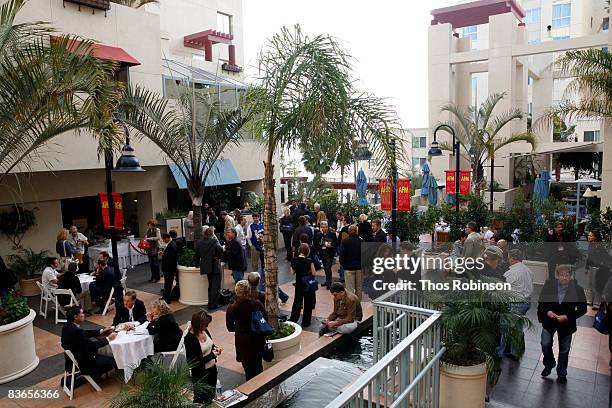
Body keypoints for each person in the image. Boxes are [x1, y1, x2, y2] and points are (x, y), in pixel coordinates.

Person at [537, 264, 587, 384]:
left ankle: (562, 372)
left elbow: (582, 308)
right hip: (550, 320)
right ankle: (549, 364)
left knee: (564, 350)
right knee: (545, 344)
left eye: (567, 275)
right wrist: (548, 312)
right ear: (557, 275)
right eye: (562, 275)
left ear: (571, 276)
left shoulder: (578, 289)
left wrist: (567, 317)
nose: (564, 278)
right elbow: (542, 301)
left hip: (566, 323)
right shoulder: (549, 285)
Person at [61, 306, 117, 381]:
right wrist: (109, 338)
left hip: (76, 358)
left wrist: (102, 330)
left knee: (106, 354)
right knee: (114, 360)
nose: (84, 314)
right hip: (85, 363)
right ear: (75, 317)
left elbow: (85, 333)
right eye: (81, 313)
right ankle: (95, 375)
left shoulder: (67, 327)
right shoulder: (77, 331)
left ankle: (97, 375)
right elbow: (93, 346)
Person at [226, 280, 267, 380]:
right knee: (258, 367)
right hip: (257, 340)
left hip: (242, 342)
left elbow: (230, 327)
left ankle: (251, 391)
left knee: (248, 370)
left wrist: (239, 328)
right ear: (248, 291)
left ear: (237, 292)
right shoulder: (257, 304)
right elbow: (265, 320)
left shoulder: (232, 308)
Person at [499, 249, 534, 359]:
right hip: (526, 302)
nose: (508, 260)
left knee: (505, 327)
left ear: (513, 258)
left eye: (509, 257)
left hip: (515, 303)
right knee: (518, 327)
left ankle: (500, 352)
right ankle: (515, 352)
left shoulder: (512, 272)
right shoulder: (528, 270)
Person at [185, 310, 222, 404]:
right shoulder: (190, 338)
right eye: (204, 325)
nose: (206, 327)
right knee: (201, 399)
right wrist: (212, 355)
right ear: (198, 324)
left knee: (211, 396)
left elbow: (210, 344)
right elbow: (193, 362)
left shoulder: (204, 330)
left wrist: (215, 348)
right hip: (200, 374)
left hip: (212, 370)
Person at [195, 227, 224, 311]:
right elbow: (221, 250)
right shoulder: (214, 241)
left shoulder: (199, 243)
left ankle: (210, 302)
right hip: (215, 266)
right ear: (211, 234)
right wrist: (217, 257)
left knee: (211, 285)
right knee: (216, 286)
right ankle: (213, 304)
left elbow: (197, 255)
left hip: (206, 267)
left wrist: (197, 264)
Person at [289, 244, 317, 327]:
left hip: (298, 284)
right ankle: (306, 322)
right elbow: (314, 273)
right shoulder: (309, 261)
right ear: (307, 251)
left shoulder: (294, 260)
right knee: (308, 303)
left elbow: (292, 273)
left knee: (297, 302)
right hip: (307, 284)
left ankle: (293, 319)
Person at [585, 230, 612, 309]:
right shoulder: (590, 245)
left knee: (596, 286)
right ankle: (591, 300)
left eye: (590, 236)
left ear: (595, 237)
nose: (588, 237)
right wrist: (586, 267)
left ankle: (596, 303)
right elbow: (589, 257)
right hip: (591, 267)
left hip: (598, 268)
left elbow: (605, 257)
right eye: (588, 235)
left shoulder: (600, 246)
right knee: (590, 284)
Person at [340, 224, 363, 301]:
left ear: (349, 232)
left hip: (349, 268)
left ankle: (351, 305)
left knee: (350, 289)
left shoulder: (345, 241)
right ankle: (358, 304)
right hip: (359, 267)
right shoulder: (361, 241)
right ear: (357, 231)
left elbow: (342, 255)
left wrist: (344, 265)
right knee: (359, 288)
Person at [160, 232, 179, 304]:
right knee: (167, 284)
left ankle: (167, 299)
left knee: (168, 284)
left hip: (169, 269)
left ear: (167, 238)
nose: (163, 241)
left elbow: (170, 259)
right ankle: (165, 297)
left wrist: (163, 255)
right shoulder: (172, 244)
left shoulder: (171, 246)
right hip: (169, 268)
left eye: (164, 239)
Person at [318, 221, 337, 288]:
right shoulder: (319, 234)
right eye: (323, 227)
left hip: (329, 253)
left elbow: (335, 243)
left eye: (326, 227)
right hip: (322, 253)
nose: (324, 228)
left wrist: (331, 245)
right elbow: (316, 243)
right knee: (325, 268)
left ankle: (329, 282)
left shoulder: (332, 234)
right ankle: (327, 281)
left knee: (328, 267)